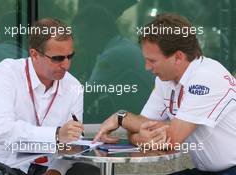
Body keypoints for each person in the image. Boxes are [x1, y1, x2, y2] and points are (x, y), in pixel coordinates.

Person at [93, 13, 236, 175]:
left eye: (152, 61)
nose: (147, 67)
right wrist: (141, 137)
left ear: (178, 57)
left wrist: (122, 118)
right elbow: (139, 127)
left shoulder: (205, 77)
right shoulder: (164, 79)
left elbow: (173, 138)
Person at [0, 18, 99, 175]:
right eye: (58, 58)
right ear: (34, 54)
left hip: (41, 168)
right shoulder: (6, 73)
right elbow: (1, 131)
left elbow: (71, 144)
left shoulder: (73, 87)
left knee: (88, 170)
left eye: (70, 56)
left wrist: (56, 171)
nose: (66, 65)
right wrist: (57, 134)